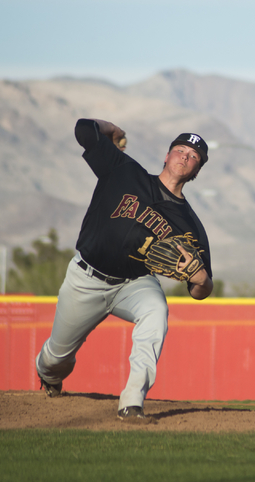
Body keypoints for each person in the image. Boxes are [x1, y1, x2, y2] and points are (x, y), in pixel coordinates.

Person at [35, 118, 213, 420]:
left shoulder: (190, 225)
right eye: (180, 149)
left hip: (134, 283)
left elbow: (202, 290)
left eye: (193, 156)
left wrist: (200, 279)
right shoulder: (123, 170)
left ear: (196, 171)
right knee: (56, 359)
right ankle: (49, 376)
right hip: (86, 277)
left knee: (156, 311)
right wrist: (113, 131)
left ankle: (132, 401)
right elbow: (83, 130)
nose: (185, 156)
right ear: (167, 156)